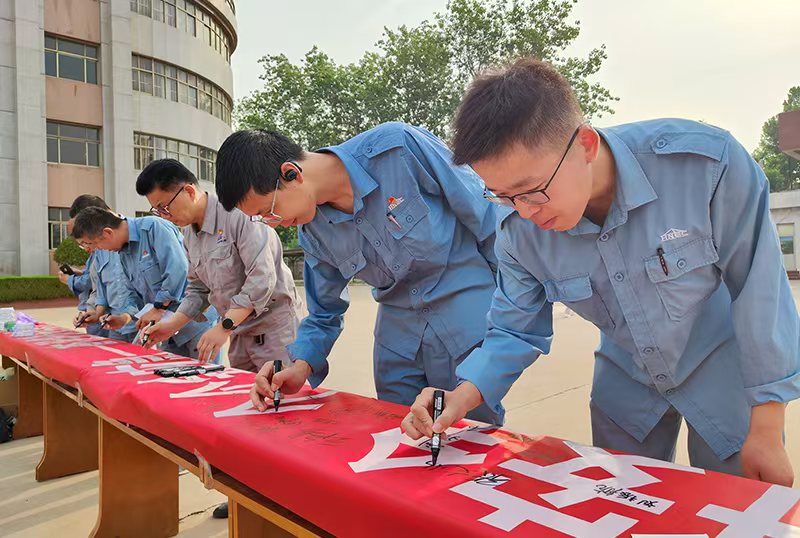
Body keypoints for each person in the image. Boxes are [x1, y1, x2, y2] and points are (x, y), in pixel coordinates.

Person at [404, 57, 799, 486]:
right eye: (502, 196)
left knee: (733, 500)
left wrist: (766, 423)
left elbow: (760, 293)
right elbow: (514, 329)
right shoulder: (518, 231)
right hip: (626, 376)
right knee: (623, 498)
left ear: (586, 145)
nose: (525, 212)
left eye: (531, 191)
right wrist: (459, 397)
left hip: (722, 368)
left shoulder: (705, 167)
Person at [214, 123, 504, 423]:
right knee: (399, 432)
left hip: (466, 329)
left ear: (291, 173)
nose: (273, 223)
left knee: (474, 433)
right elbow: (324, 312)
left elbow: (488, 220)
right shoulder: (313, 233)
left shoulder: (397, 150)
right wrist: (298, 367)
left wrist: (510, 311)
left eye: (268, 211)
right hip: (399, 347)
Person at [137, 158, 303, 370]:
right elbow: (198, 288)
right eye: (157, 211)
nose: (164, 216)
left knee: (281, 387)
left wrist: (224, 326)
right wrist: (172, 325)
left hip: (274, 330)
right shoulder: (189, 235)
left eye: (164, 207)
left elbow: (262, 278)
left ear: (189, 191)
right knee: (246, 388)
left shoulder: (239, 213)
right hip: (239, 331)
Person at [71, 207, 217, 359]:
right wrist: (124, 317)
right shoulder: (123, 252)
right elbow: (132, 292)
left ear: (107, 233)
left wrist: (159, 307)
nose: (98, 250)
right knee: (169, 371)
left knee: (204, 371)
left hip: (195, 322)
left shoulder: (154, 228)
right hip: (165, 328)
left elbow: (179, 270)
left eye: (94, 244)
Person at [58, 195, 110, 337]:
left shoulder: (109, 246)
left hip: (114, 319)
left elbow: (95, 283)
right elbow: (97, 283)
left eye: (85, 242)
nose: (86, 247)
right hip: (99, 314)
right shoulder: (97, 249)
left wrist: (69, 280)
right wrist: (93, 311)